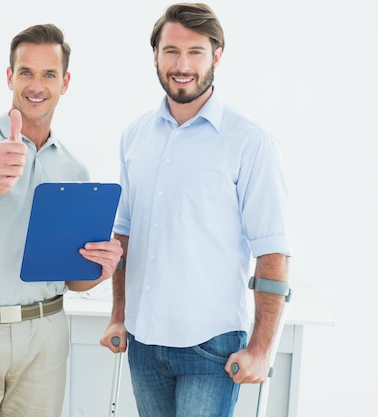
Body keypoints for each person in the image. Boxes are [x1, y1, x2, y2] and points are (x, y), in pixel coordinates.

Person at [99, 3, 291, 417]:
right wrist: (118, 316)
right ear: (155, 56)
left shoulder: (249, 141)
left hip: (212, 348)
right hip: (144, 343)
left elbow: (272, 250)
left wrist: (260, 348)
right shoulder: (135, 135)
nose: (181, 64)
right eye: (171, 51)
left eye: (195, 52)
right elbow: (124, 234)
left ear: (216, 56)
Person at [0, 23, 123, 417]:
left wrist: (102, 267)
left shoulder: (74, 170)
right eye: (26, 72)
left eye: (49, 74)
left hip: (44, 334)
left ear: (64, 82)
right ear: (9, 76)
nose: (37, 85)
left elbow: (74, 278)